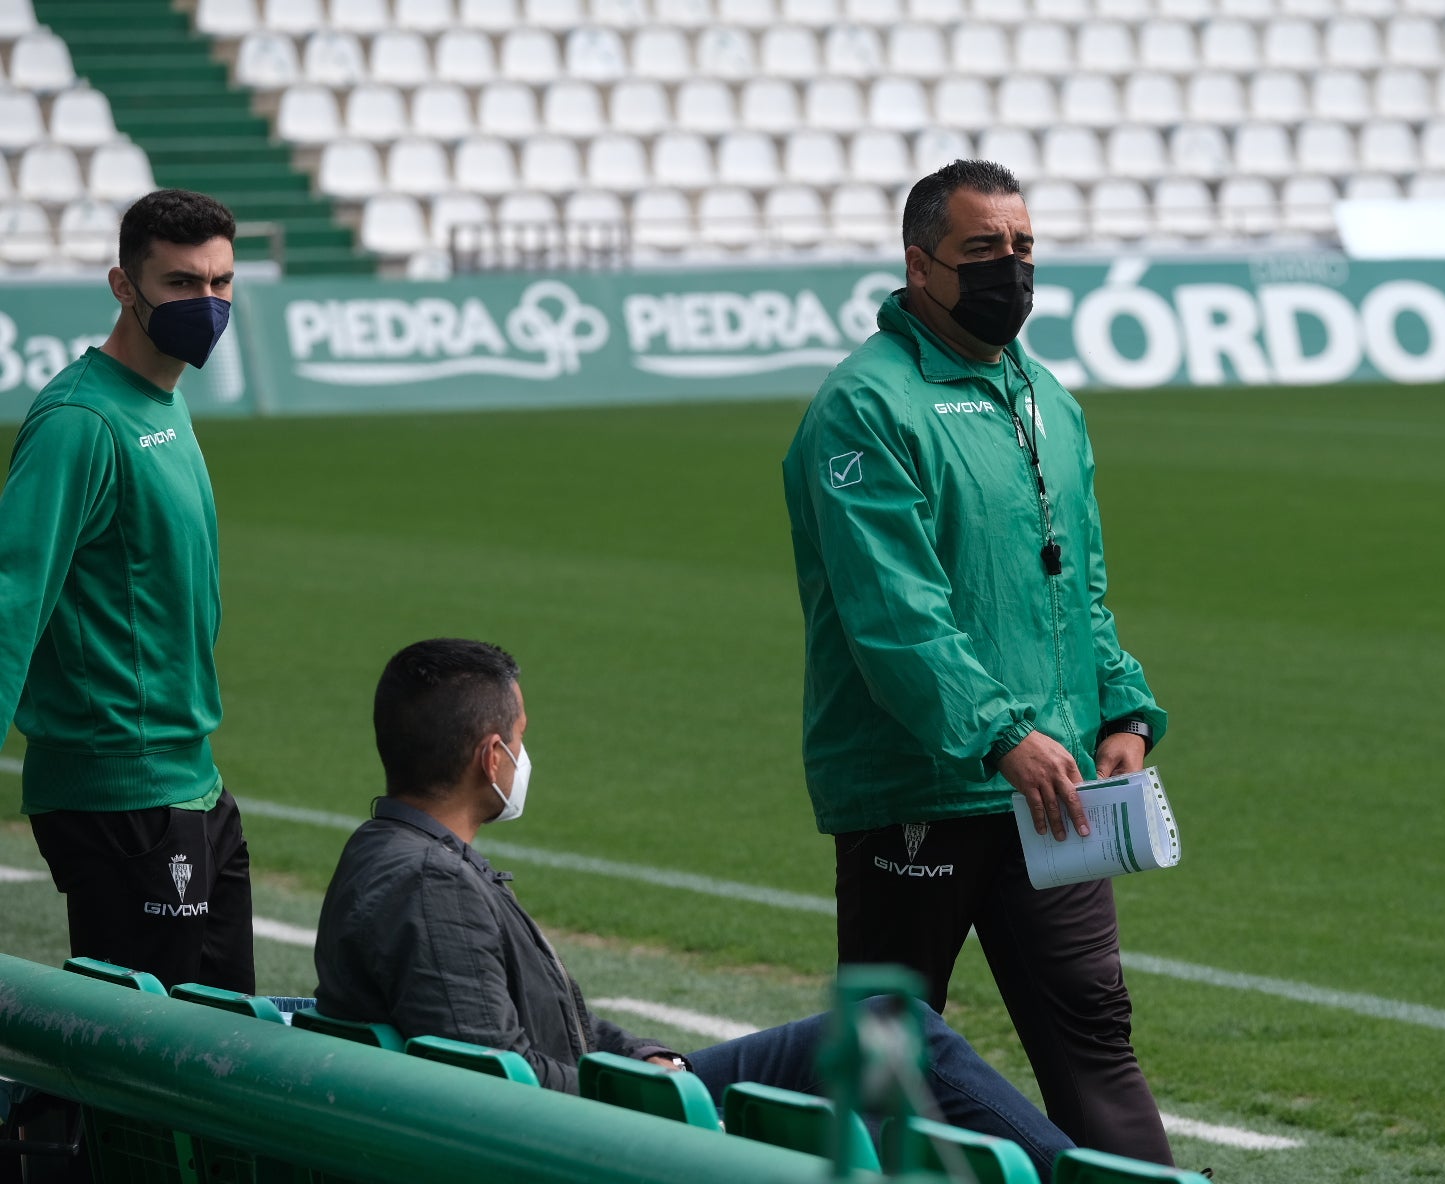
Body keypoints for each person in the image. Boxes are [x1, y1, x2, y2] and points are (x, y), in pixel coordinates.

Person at [314, 638, 1074, 1180]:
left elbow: (528, 1033)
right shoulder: (427, 885)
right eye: (519, 739)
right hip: (587, 1131)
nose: (522, 758)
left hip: (603, 1094)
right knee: (892, 1067)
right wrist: (648, 1084)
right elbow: (492, 1081)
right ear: (491, 758)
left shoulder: (399, 853)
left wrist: (643, 1053)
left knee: (886, 1036)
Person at [781, 160, 1173, 1164]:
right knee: (885, 1053)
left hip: (1053, 791)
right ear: (920, 266)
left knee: (1095, 1039)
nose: (1011, 269)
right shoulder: (864, 409)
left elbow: (1074, 585)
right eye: (982, 251)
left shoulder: (1046, 397)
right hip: (918, 788)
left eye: (1023, 248)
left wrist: (1123, 708)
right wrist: (1005, 732)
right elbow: (895, 617)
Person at [0, 189, 252, 993]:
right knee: (141, 1075)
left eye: (221, 283)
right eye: (182, 284)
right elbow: (13, 596)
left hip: (190, 780)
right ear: (124, 285)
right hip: (119, 793)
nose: (206, 304)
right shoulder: (81, 420)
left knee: (225, 1049)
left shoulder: (164, 399)